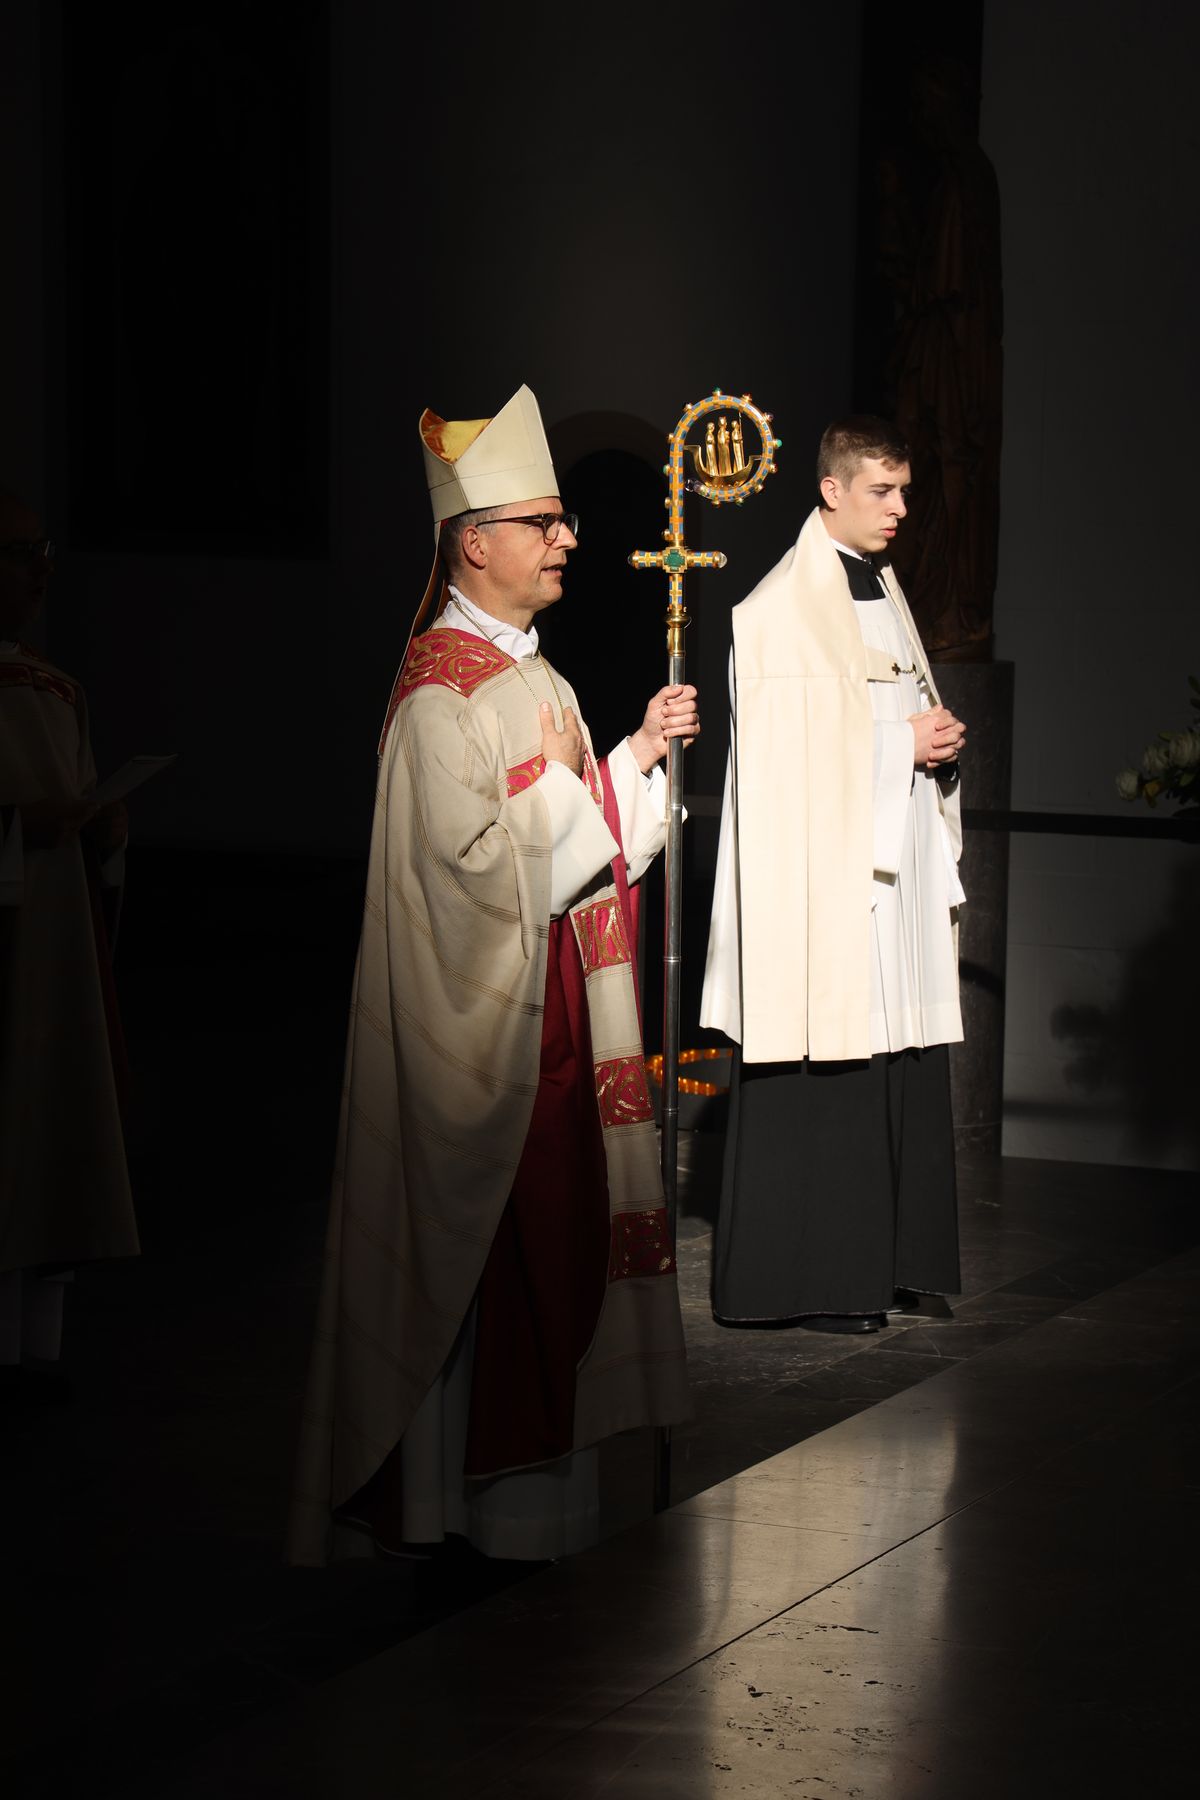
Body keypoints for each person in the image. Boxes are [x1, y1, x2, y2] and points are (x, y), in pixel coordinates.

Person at [289, 386, 697, 1564]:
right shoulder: (438, 696)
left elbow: (575, 838)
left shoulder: (540, 678)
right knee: (489, 1261)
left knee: (555, 1249)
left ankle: (534, 1513)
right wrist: (572, 805)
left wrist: (634, 756)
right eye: (545, 520)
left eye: (564, 521)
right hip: (491, 1033)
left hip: (558, 1016)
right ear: (476, 541)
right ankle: (452, 1508)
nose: (568, 538)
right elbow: (458, 883)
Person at [701, 416, 965, 1334]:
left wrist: (931, 744)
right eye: (881, 491)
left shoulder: (881, 587)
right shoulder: (781, 608)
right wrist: (902, 744)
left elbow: (889, 706)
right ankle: (810, 1279)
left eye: (903, 491)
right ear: (831, 489)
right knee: (830, 1060)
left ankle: (890, 1262)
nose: (899, 509)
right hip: (822, 882)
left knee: (895, 1050)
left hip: (888, 866)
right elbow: (785, 758)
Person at [0, 490, 138, 1382]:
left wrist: (100, 830)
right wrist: (22, 824)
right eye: (23, 553)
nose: (42, 571)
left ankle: (34, 1344)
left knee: (45, 1131)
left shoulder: (55, 691)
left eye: (46, 550)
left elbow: (81, 802)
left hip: (51, 952)